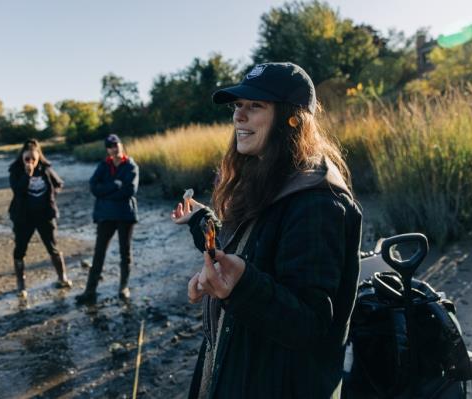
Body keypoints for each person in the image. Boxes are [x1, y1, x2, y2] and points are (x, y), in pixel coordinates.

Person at [171, 62, 362, 398]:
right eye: (237, 106)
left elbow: (310, 326)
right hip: (239, 371)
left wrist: (240, 285)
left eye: (255, 106)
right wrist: (200, 222)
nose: (238, 117)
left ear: (292, 118)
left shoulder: (316, 202)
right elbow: (245, 249)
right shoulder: (265, 179)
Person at [75, 134, 139, 304]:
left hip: (125, 215)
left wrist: (106, 193)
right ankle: (90, 291)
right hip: (105, 216)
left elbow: (129, 190)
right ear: (107, 149)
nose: (114, 148)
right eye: (110, 146)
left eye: (116, 144)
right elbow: (93, 187)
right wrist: (114, 185)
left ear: (121, 145)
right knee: (99, 253)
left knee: (125, 253)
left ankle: (123, 287)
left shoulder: (131, 165)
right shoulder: (104, 165)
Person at [8, 139, 71, 298]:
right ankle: (21, 285)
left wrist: (51, 197)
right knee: (20, 250)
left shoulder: (46, 169)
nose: (30, 162)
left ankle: (62, 277)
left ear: (38, 158)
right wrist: (27, 175)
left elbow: (59, 184)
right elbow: (18, 190)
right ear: (22, 158)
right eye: (27, 159)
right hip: (23, 217)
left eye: (33, 159)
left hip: (44, 216)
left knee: (53, 247)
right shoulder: (15, 171)